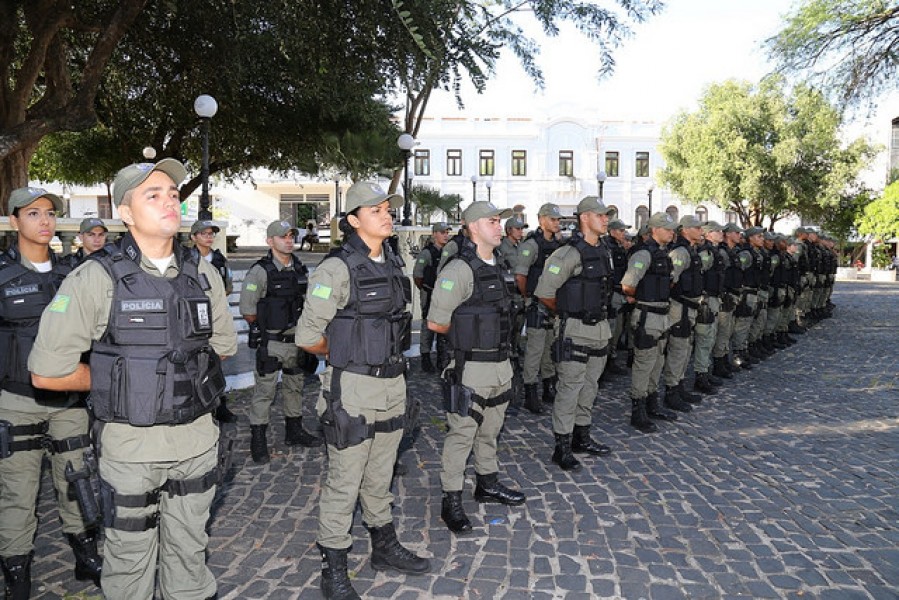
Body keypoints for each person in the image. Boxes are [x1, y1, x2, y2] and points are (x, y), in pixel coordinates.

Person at [29, 159, 237, 600]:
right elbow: (46, 372)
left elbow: (221, 346)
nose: (169, 202)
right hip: (131, 448)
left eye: (173, 194)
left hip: (198, 441)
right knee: (129, 563)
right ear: (125, 213)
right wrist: (116, 378)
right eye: (153, 195)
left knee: (191, 552)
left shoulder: (204, 274)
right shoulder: (94, 278)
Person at [296, 181, 429, 600]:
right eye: (375, 210)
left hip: (393, 383)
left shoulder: (394, 264)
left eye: (388, 208)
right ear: (353, 221)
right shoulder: (335, 269)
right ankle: (332, 569)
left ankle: (383, 546)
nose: (387, 214)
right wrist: (345, 354)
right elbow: (307, 336)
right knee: (344, 481)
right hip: (351, 387)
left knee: (381, 472)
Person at [0, 188, 101, 598]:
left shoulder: (73, 275)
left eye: (49, 214)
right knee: (17, 490)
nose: (44, 221)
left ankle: (85, 555)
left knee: (76, 480)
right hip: (16, 401)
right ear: (13, 222)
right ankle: (17, 572)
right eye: (33, 213)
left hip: (67, 402)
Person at [428, 200, 526, 534]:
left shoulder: (498, 263)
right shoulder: (458, 270)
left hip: (500, 366)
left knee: (491, 430)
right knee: (461, 436)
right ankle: (451, 499)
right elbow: (437, 322)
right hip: (470, 368)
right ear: (473, 227)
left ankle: (487, 483)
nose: (500, 227)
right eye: (493, 221)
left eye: (500, 221)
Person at [534, 196, 615, 472]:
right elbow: (545, 293)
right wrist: (568, 311)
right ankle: (562, 446)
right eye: (600, 215)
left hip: (601, 329)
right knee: (570, 388)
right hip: (575, 329)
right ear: (585, 218)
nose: (606, 220)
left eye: (607, 216)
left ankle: (582, 436)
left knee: (590, 386)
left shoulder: (604, 250)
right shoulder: (567, 254)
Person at [240, 220, 322, 464]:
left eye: (291, 236)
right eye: (283, 236)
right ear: (270, 241)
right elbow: (248, 309)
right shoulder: (259, 271)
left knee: (294, 386)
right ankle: (258, 440)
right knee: (264, 392)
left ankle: (294, 431)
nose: (289, 240)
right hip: (272, 342)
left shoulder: (299, 269)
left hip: (297, 341)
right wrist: (266, 330)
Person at [620, 212, 678, 433]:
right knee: (644, 364)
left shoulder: (663, 253)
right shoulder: (644, 254)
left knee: (657, 361)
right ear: (655, 230)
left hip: (661, 314)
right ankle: (638, 409)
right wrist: (641, 297)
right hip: (648, 315)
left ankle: (652, 402)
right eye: (668, 228)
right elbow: (628, 285)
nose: (672, 232)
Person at [515, 203, 564, 414]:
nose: (557, 223)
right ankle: (530, 393)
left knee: (550, 350)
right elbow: (520, 276)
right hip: (537, 305)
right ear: (541, 220)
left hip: (554, 305)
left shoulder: (558, 245)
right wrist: (529, 298)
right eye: (553, 219)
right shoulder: (531, 245)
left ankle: (548, 387)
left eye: (558, 220)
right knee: (534, 351)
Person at [190, 219, 237, 423]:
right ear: (194, 237)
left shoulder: (219, 259)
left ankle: (220, 405)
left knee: (217, 367)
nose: (208, 237)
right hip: (196, 319)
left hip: (217, 314)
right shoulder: (187, 261)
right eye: (203, 234)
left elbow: (228, 285)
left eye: (211, 234)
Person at [692, 221, 726, 392]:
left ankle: (705, 370)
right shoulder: (705, 252)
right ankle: (700, 375)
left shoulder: (714, 250)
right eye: (717, 231)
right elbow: (700, 273)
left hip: (714, 298)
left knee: (711, 336)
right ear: (708, 234)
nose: (721, 233)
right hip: (706, 299)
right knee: (704, 338)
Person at [413, 222, 452, 373]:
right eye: (442, 232)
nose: (445, 235)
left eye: (447, 232)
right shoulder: (427, 253)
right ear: (434, 234)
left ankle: (442, 358)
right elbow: (418, 275)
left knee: (443, 325)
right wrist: (426, 289)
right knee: (428, 326)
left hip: (445, 295)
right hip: (430, 293)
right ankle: (425, 357)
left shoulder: (449, 252)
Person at [602, 218, 631, 376]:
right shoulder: (608, 248)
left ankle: (611, 359)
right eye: (621, 231)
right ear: (612, 231)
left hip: (620, 292)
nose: (623, 234)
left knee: (617, 329)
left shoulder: (618, 247)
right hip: (612, 293)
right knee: (611, 329)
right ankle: (605, 363)